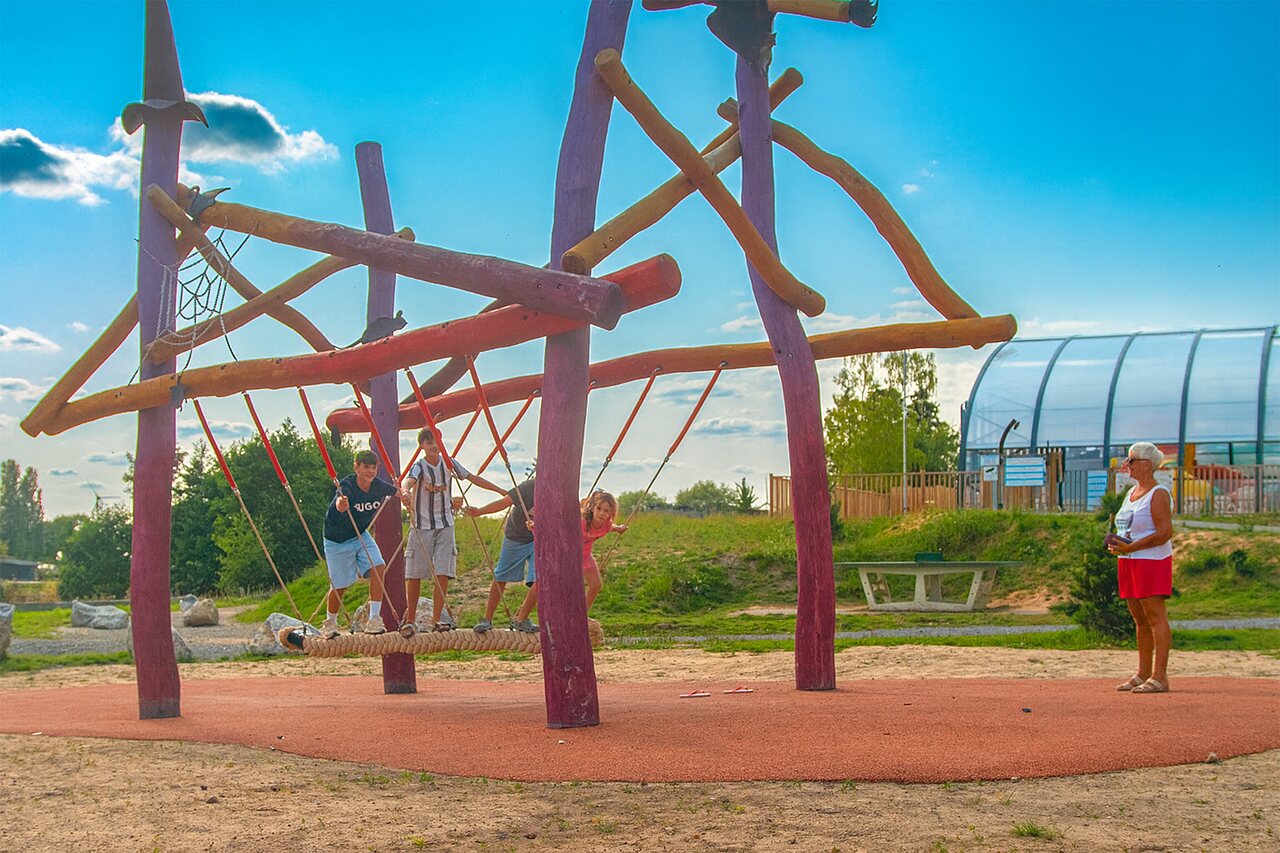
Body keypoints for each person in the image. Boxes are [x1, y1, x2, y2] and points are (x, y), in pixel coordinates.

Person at [401, 427, 507, 635]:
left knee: (443, 571)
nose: (434, 446)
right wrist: (405, 491)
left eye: (437, 442)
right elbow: (408, 481)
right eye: (429, 442)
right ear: (422, 446)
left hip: (446, 524)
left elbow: (473, 478)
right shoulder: (419, 466)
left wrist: (501, 490)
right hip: (422, 525)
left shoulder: (449, 463)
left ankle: (436, 619)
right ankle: (410, 619)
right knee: (415, 573)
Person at [1107, 441, 1175, 694]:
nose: (1128, 464)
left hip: (1151, 561)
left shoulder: (1158, 493)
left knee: (1155, 617)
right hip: (1129, 560)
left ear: (1147, 464)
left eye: (1132, 460)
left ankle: (1160, 676)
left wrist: (1132, 546)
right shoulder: (1131, 492)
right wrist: (1118, 544)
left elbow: (1164, 532)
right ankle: (1143, 672)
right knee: (1140, 619)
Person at [320, 450, 407, 638]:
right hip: (337, 540)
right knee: (339, 584)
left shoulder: (377, 486)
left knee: (379, 566)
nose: (370, 471)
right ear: (356, 467)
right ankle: (330, 621)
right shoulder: (348, 486)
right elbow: (339, 499)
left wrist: (406, 496)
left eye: (373, 467)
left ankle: (374, 618)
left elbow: (397, 492)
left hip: (359, 535)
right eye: (366, 467)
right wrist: (341, 504)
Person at [464, 477, 539, 633]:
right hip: (516, 536)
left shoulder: (558, 490)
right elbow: (504, 502)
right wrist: (480, 511)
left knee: (540, 579)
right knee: (501, 576)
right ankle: (487, 619)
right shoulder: (528, 487)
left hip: (538, 538)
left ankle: (521, 619)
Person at [581, 490, 627, 613]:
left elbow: (612, 528)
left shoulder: (606, 525)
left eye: (606, 511)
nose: (601, 513)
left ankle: (582, 614)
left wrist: (620, 529)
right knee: (571, 587)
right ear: (592, 508)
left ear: (611, 513)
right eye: (599, 508)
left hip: (585, 556)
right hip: (570, 557)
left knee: (596, 585)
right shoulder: (582, 522)